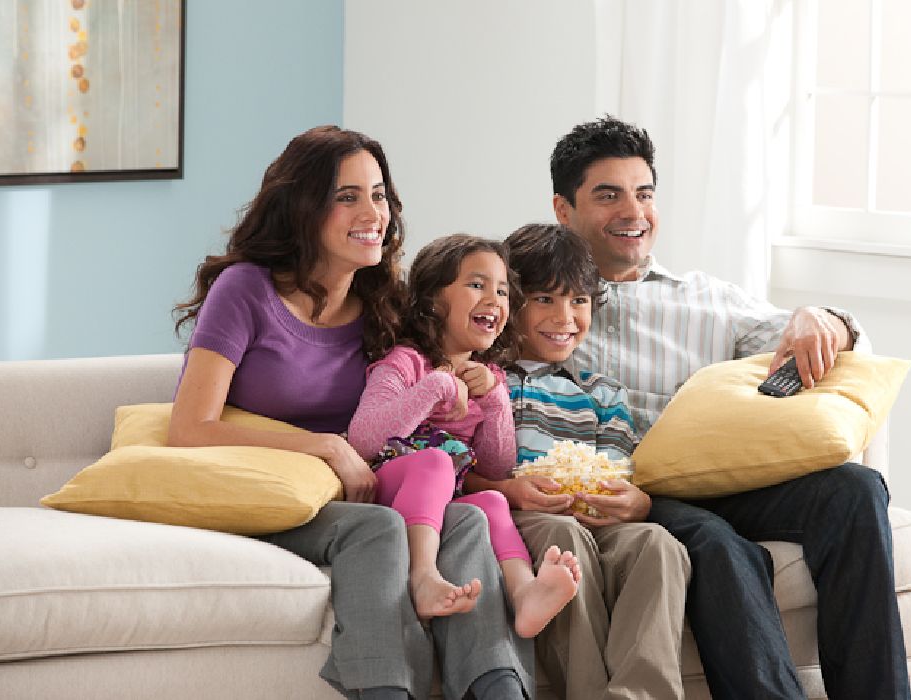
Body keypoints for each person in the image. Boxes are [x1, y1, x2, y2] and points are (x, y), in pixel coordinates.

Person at [548, 116, 911, 699]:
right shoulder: (541, 307)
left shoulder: (707, 300)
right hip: (641, 493)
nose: (633, 212)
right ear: (564, 210)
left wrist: (822, 318)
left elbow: (826, 340)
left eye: (644, 193)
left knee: (855, 489)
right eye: (608, 195)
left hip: (730, 479)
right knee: (717, 544)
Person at [169, 126, 533, 700]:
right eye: (348, 196)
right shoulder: (245, 291)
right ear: (303, 207)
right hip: (264, 493)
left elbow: (426, 421)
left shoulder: (382, 307)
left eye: (379, 195)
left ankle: (498, 688)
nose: (373, 213)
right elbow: (188, 428)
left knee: (467, 521)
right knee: (377, 529)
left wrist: (493, 441)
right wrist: (325, 446)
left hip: (351, 489)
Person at [464, 223, 691, 700]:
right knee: (562, 540)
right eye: (544, 299)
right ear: (511, 303)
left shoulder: (602, 392)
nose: (564, 317)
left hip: (598, 521)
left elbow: (620, 469)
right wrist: (507, 490)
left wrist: (637, 502)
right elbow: (457, 470)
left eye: (579, 301)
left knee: (658, 544)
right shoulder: (485, 380)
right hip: (526, 519)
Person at [347, 233, 582, 640]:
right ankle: (422, 575)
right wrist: (438, 385)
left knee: (493, 500)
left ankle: (525, 593)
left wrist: (493, 400)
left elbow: (496, 466)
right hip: (389, 490)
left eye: (503, 291)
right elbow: (365, 439)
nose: (494, 299)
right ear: (431, 300)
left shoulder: (489, 379)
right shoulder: (406, 363)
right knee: (436, 462)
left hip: (447, 502)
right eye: (477, 285)